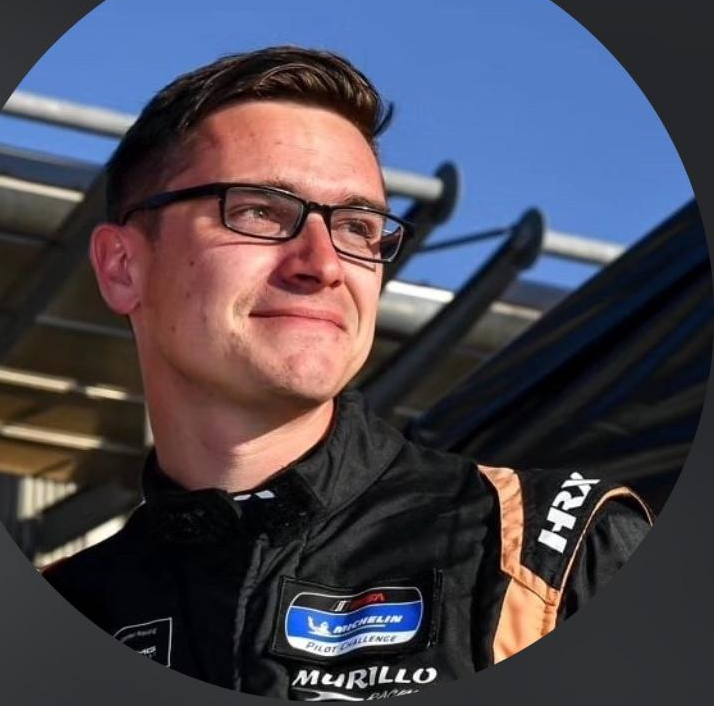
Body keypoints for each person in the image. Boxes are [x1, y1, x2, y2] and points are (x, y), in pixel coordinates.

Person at [43, 45, 652, 700]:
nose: (323, 263)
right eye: (259, 210)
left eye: (358, 226)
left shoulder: (550, 558)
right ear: (122, 267)